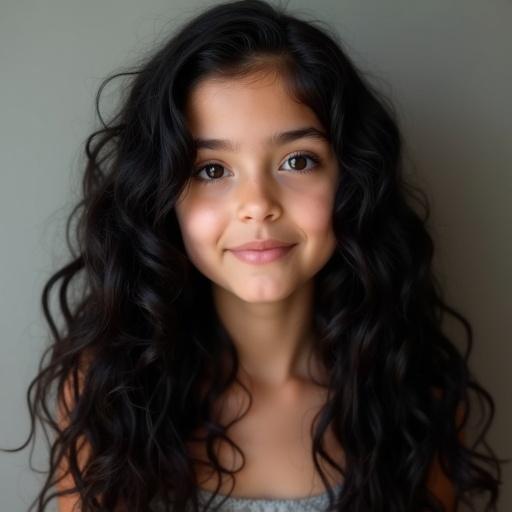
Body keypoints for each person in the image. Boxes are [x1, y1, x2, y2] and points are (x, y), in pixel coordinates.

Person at [3, 0, 505, 511]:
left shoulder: (419, 397)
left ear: (350, 179)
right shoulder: (108, 395)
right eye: (212, 170)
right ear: (160, 196)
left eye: (298, 160)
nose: (258, 206)